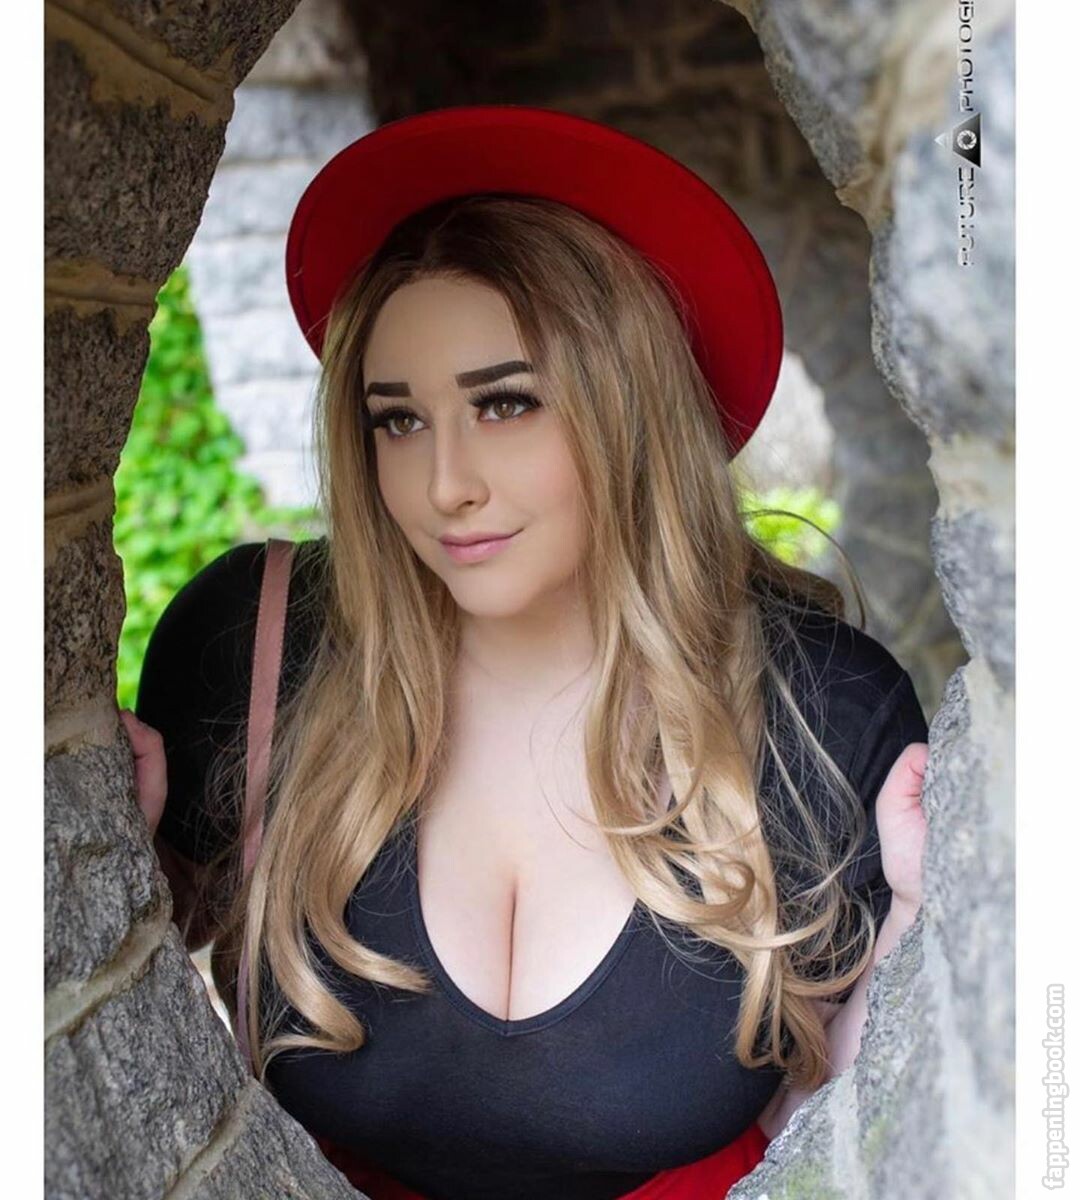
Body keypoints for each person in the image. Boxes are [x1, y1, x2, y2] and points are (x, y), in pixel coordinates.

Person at [120, 107, 930, 1200]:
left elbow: (853, 1116)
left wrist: (920, 916)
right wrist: (127, 860)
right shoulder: (253, 647)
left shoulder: (827, 713)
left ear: (629, 410)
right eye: (398, 420)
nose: (445, 484)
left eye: (504, 404)